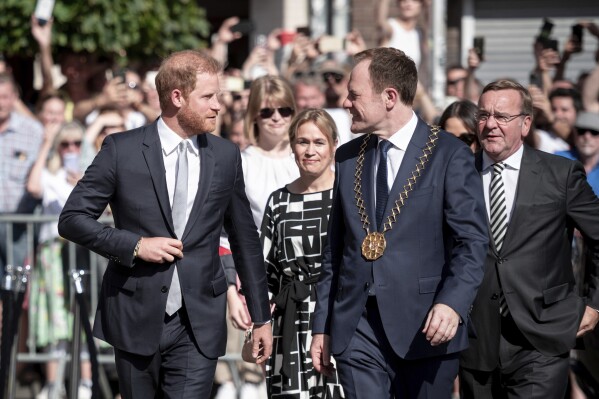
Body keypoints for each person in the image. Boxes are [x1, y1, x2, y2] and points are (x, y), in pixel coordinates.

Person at [58, 50, 272, 399]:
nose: (218, 105)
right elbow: (72, 220)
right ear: (177, 97)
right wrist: (135, 245)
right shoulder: (121, 150)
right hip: (134, 313)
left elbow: (245, 238)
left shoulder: (225, 155)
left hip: (199, 320)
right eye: (208, 96)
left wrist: (261, 317)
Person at [310, 47, 489, 399]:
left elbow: (472, 241)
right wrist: (323, 326)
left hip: (426, 329)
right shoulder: (347, 157)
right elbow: (336, 250)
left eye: (355, 94)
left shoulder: (449, 154)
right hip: (357, 326)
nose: (346, 102)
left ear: (389, 97)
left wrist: (452, 302)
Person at [459, 79, 599, 399]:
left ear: (525, 124)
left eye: (502, 116)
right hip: (475, 337)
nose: (490, 124)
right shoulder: (457, 174)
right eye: (483, 115)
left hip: (542, 335)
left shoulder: (560, 174)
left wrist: (594, 304)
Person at [261, 109, 344, 399]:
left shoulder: (348, 194)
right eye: (302, 142)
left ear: (334, 145)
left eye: (319, 142)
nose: (310, 151)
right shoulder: (278, 201)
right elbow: (265, 272)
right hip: (290, 322)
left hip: (339, 317)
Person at [26, 121, 93, 399]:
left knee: (82, 314)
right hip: (53, 254)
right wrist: (46, 144)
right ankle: (54, 385)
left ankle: (86, 383)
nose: (71, 149)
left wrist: (82, 185)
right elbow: (33, 187)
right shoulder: (50, 176)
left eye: (76, 143)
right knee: (55, 318)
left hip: (83, 252)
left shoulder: (90, 175)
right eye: (65, 144)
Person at [242, 75, 300, 229]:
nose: (276, 117)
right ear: (254, 115)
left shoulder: (307, 156)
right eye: (266, 112)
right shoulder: (242, 163)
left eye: (284, 110)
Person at [0, 72, 44, 276]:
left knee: (19, 284)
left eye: (4, 97)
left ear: (15, 98)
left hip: (19, 225)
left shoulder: (33, 130)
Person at [556, 111, 599, 195]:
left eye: (594, 132)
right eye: (581, 131)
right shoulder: (558, 160)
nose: (587, 137)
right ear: (574, 134)